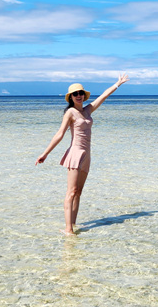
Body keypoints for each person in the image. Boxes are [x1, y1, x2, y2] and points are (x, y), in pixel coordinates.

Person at [36, 74, 129, 235]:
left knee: (79, 191)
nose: (79, 95)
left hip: (87, 155)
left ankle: (73, 223)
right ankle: (68, 229)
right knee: (71, 192)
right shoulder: (70, 113)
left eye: (80, 93)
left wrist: (118, 83)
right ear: (71, 97)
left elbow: (104, 96)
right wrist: (45, 154)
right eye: (75, 94)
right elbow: (59, 134)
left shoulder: (88, 110)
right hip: (75, 153)